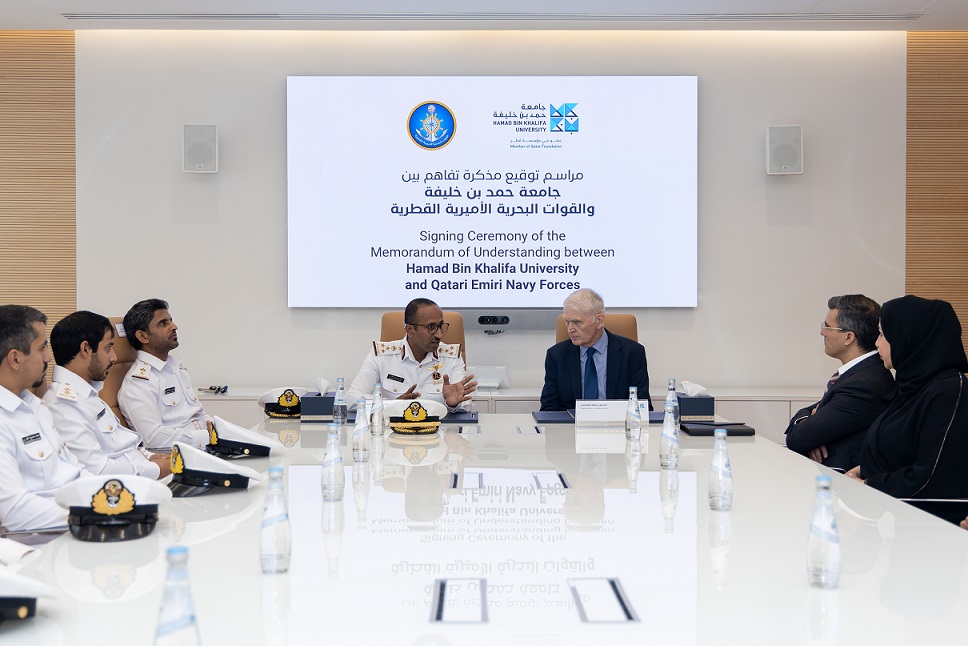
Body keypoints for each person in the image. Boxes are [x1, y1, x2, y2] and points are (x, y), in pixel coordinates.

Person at [847, 296, 968, 500]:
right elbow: (898, 452)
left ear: (908, 338)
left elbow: (930, 476)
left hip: (931, 523)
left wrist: (867, 484)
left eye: (883, 335)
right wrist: (859, 471)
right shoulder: (912, 385)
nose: (877, 344)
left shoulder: (948, 391)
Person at [43, 311, 171, 479]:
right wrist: (156, 469)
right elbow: (98, 471)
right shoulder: (62, 405)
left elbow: (122, 446)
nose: (114, 357)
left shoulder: (87, 393)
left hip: (141, 474)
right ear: (86, 349)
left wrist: (149, 457)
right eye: (108, 347)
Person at [0, 305, 89, 531]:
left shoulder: (35, 407)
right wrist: (95, 515)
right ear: (15, 359)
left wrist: (117, 494)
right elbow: (14, 511)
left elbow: (74, 471)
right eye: (42, 348)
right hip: (40, 544)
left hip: (76, 525)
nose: (49, 357)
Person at [785, 295, 895, 471]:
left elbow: (797, 439)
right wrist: (809, 423)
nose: (822, 332)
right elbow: (809, 420)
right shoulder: (861, 374)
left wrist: (811, 432)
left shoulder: (864, 384)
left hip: (842, 484)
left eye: (827, 327)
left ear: (848, 337)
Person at [347, 298, 476, 413]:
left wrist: (451, 404)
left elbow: (464, 404)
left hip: (438, 434)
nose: (439, 335)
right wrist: (392, 405)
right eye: (431, 327)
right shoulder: (381, 356)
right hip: (392, 433)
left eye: (440, 326)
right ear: (410, 330)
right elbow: (351, 398)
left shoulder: (452, 357)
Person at [118, 299, 211, 450]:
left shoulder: (174, 366)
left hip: (207, 447)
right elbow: (153, 438)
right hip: (181, 459)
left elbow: (199, 415)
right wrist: (208, 436)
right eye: (163, 323)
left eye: (171, 321)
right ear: (142, 337)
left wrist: (224, 432)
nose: (174, 327)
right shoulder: (138, 383)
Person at [540, 288, 650, 411]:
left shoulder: (632, 353)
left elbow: (642, 406)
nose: (570, 329)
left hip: (618, 426)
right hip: (571, 427)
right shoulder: (556, 355)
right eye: (567, 322)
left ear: (599, 321)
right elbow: (549, 409)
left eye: (577, 322)